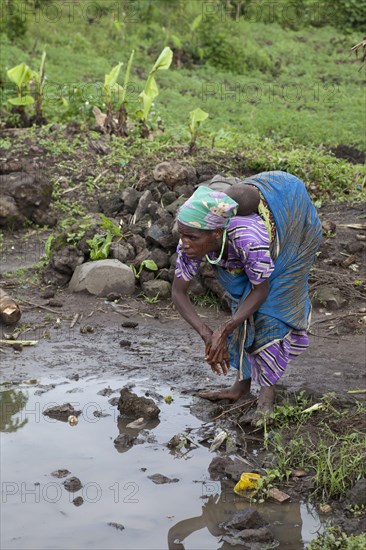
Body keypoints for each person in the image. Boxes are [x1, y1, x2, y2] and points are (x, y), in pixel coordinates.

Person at [172, 170, 322, 422]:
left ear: (216, 234)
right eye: (182, 235)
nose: (185, 243)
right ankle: (240, 388)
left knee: (269, 313)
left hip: (292, 218)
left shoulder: (248, 238)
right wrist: (207, 333)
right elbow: (178, 291)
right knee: (240, 304)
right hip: (244, 245)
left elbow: (261, 290)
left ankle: (266, 396)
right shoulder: (191, 240)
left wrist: (227, 328)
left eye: (192, 238)